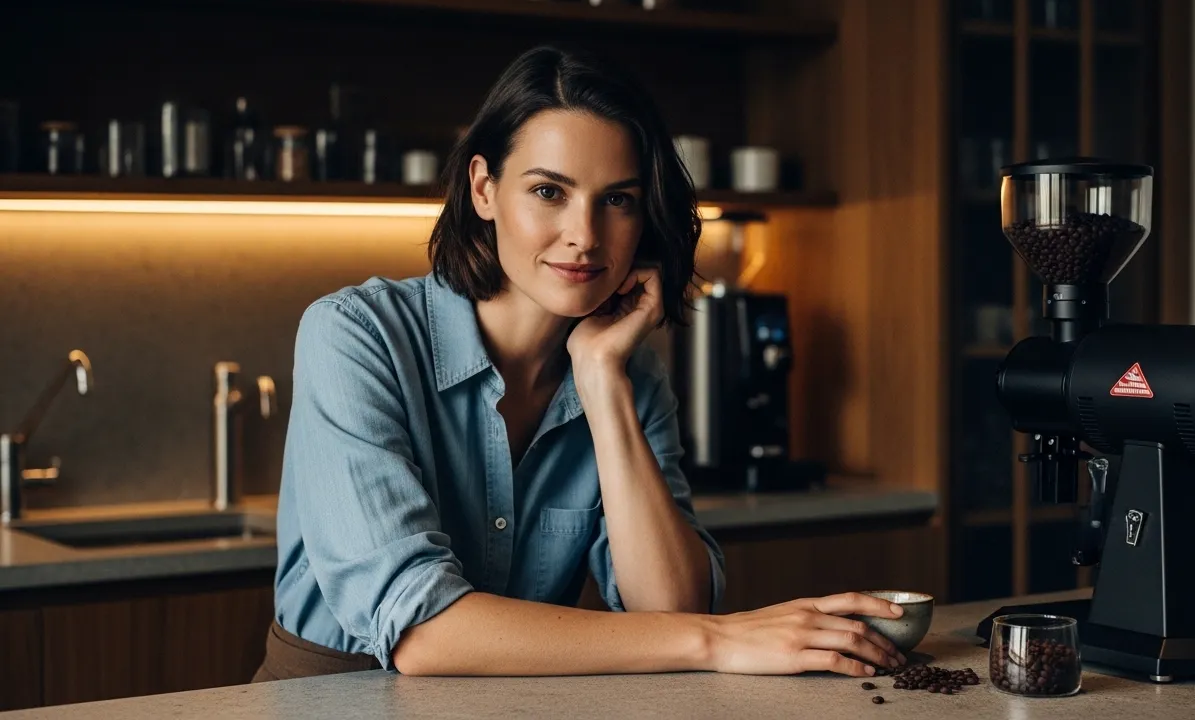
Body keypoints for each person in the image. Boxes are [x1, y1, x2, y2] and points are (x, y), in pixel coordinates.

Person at [253, 46, 908, 682]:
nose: (585, 235)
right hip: (332, 702)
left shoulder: (628, 374)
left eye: (617, 199)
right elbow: (421, 631)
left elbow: (674, 610)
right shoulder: (356, 334)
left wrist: (601, 380)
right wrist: (721, 640)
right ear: (484, 188)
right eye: (548, 191)